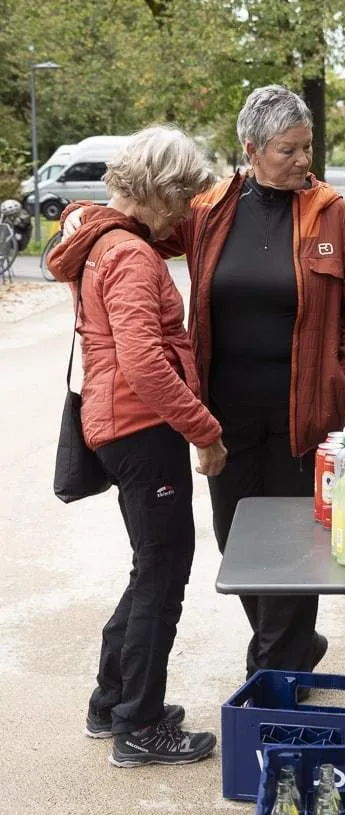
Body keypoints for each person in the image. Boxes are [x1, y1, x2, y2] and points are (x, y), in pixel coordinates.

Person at [62, 86, 345, 678]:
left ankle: (275, 671)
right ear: (252, 149)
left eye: (307, 147)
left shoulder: (333, 216)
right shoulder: (211, 211)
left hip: (300, 411)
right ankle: (291, 643)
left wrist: (344, 381)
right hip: (224, 414)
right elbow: (140, 221)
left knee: (291, 547)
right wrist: (85, 220)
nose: (301, 161)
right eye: (287, 150)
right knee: (239, 544)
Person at [47, 127, 228, 768]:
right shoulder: (128, 254)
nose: (183, 213)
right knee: (163, 571)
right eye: (181, 198)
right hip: (139, 427)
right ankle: (139, 725)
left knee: (151, 563)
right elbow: (144, 362)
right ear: (159, 191)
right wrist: (204, 430)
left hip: (120, 422)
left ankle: (111, 701)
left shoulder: (101, 239)